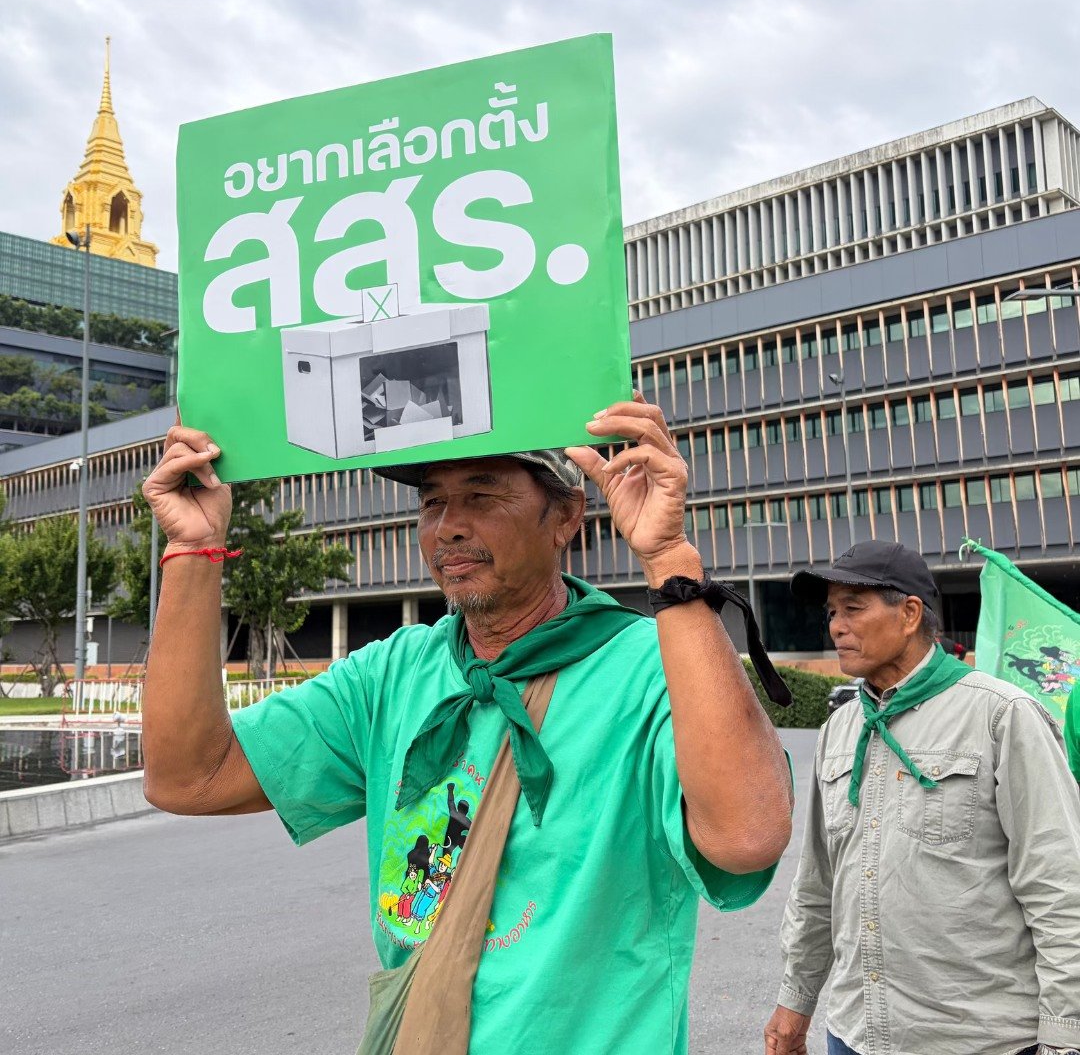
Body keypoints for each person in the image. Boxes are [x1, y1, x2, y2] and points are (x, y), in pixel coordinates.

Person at [140, 394, 793, 1054]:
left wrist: (669, 562)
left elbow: (747, 836)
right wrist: (193, 550)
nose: (448, 526)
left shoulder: (651, 668)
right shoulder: (391, 675)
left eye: (482, 496)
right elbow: (190, 777)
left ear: (565, 516)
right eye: (432, 502)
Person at [763, 540, 1080, 1055]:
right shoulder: (840, 729)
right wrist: (796, 1000)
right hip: (854, 1033)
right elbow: (818, 882)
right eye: (831, 612)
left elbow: (1060, 886)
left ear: (910, 613)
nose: (835, 626)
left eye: (853, 608)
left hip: (977, 1039)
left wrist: (1064, 1036)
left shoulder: (1001, 716)